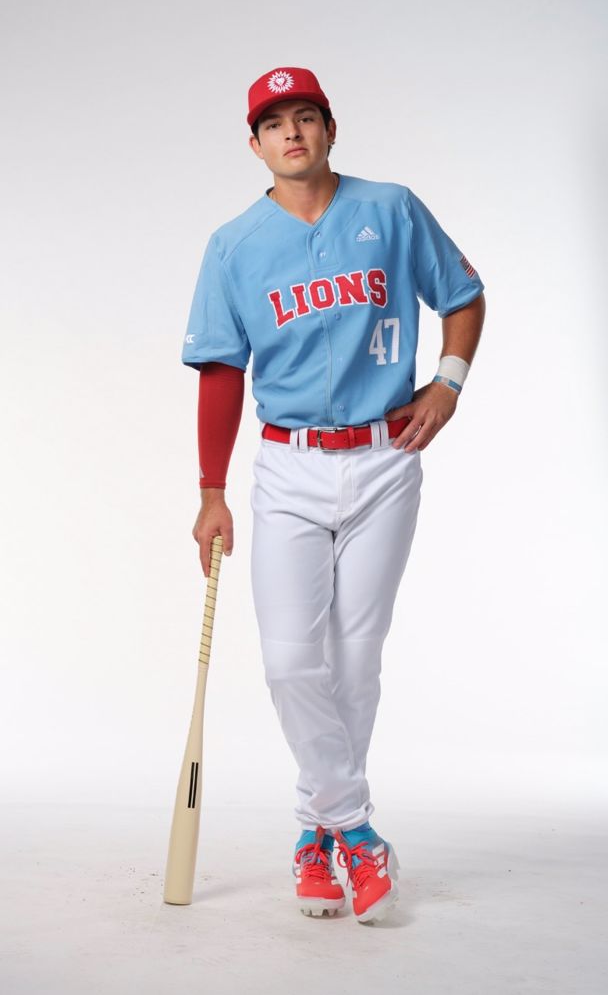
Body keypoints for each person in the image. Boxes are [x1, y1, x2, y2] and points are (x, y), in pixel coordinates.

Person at [182, 66, 485, 924]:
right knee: (290, 660)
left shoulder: (391, 208)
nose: (292, 132)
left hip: (386, 458)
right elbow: (220, 373)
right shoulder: (234, 244)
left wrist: (448, 383)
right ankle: (354, 826)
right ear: (254, 144)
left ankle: (316, 836)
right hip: (288, 467)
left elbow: (463, 295)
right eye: (274, 122)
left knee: (355, 658)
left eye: (306, 116)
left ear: (329, 128)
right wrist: (211, 491)